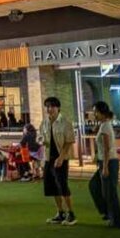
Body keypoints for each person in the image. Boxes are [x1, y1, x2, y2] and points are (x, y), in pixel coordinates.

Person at [40, 96, 76, 226]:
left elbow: (69, 141)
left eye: (52, 106)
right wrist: (41, 141)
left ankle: (71, 213)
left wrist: (61, 157)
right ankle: (60, 212)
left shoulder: (65, 122)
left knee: (62, 185)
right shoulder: (44, 122)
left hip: (61, 158)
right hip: (48, 158)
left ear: (58, 108)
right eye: (47, 107)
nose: (49, 109)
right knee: (52, 187)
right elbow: (41, 137)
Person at [88, 101, 120, 228]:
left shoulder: (105, 127)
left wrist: (106, 167)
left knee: (110, 193)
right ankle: (106, 212)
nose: (94, 114)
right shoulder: (104, 125)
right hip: (105, 162)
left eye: (96, 111)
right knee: (94, 185)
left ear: (102, 112)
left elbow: (107, 148)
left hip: (109, 162)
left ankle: (116, 221)